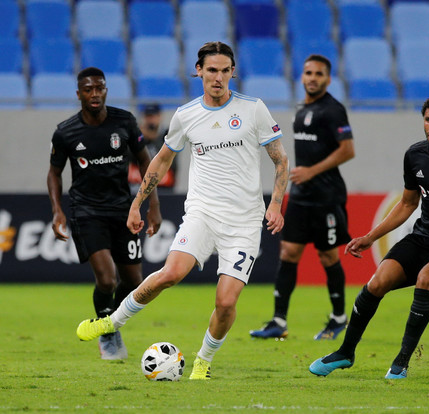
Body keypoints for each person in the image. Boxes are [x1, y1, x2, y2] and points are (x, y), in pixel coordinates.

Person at [75, 41, 290, 380]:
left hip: (244, 221)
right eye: (211, 70)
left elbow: (280, 159)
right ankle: (110, 322)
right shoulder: (186, 115)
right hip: (202, 212)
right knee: (171, 274)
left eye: (224, 70)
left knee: (226, 302)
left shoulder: (253, 109)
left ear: (233, 72)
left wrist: (276, 204)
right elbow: (161, 160)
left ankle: (203, 362)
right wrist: (137, 203)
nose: (218, 77)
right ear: (198, 71)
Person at [308, 94, 429, 379]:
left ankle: (401, 362)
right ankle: (345, 352)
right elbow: (407, 204)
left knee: (427, 279)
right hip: (424, 236)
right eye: (428, 120)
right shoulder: (415, 155)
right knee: (377, 283)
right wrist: (370, 237)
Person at [47, 67, 162, 360]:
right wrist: (57, 210)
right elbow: (54, 173)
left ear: (106, 90)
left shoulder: (124, 122)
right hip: (86, 211)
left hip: (124, 211)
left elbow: (147, 161)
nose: (94, 94)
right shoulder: (66, 132)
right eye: (88, 89)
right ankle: (108, 332)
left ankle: (110, 319)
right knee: (107, 280)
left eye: (100, 88)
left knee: (134, 282)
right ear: (79, 94)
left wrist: (153, 206)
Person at [250, 54, 355, 341]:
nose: (312, 78)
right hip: (300, 197)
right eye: (308, 73)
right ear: (302, 76)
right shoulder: (302, 109)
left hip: (327, 197)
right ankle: (278, 321)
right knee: (288, 253)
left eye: (319, 74)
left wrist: (311, 172)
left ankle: (338, 319)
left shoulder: (333, 110)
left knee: (327, 255)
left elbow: (348, 150)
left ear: (328, 79)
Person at [128, 103, 177, 191]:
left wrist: (154, 137)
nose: (150, 120)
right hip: (138, 185)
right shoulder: (138, 136)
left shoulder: (167, 135)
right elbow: (130, 159)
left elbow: (168, 161)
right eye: (148, 116)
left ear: (159, 116)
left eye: (153, 116)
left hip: (163, 186)